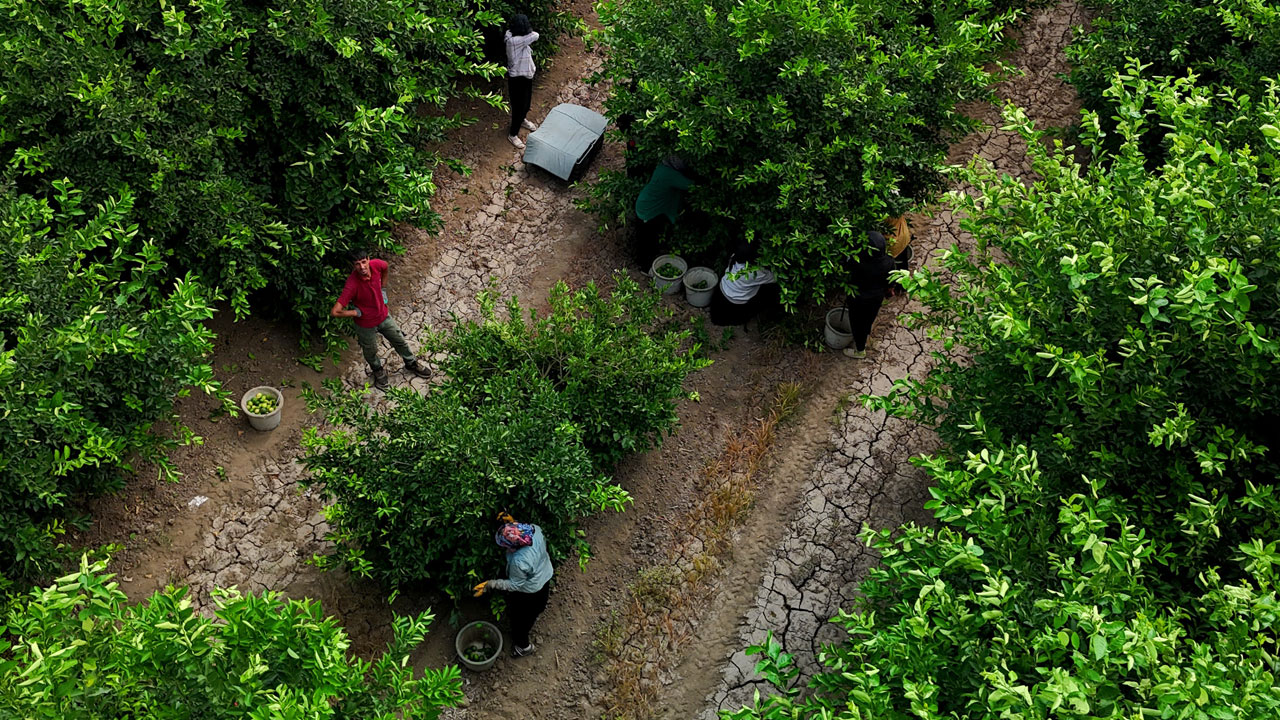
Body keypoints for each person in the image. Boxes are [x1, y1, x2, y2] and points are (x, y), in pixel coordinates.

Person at [329, 250, 432, 389]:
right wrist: (356, 312)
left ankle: (411, 363)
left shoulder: (376, 265)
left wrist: (383, 288)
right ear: (353, 266)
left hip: (384, 316)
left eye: (364, 262)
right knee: (370, 351)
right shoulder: (352, 284)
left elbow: (385, 267)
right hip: (365, 325)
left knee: (399, 340)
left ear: (368, 259)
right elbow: (335, 311)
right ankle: (377, 370)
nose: (362, 267)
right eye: (357, 264)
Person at [473, 514, 553, 658]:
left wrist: (490, 584)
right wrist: (513, 523)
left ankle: (523, 647)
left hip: (530, 591)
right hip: (545, 575)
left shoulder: (519, 561)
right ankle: (534, 615)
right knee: (538, 606)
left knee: (520, 621)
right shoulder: (535, 530)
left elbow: (515, 584)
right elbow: (520, 533)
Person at [843, 230, 897, 359]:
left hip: (858, 297)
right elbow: (891, 280)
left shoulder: (858, 262)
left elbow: (845, 270)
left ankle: (860, 350)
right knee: (868, 319)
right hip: (876, 297)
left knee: (856, 323)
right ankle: (866, 334)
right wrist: (890, 289)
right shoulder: (888, 261)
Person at [633, 156, 694, 264]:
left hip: (645, 203)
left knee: (646, 236)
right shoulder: (670, 175)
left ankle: (646, 259)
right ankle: (645, 264)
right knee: (648, 238)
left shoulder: (663, 167)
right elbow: (691, 185)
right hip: (648, 210)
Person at [710, 242, 777, 327]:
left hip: (721, 292)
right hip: (735, 303)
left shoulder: (735, 257)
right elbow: (775, 278)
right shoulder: (755, 272)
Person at [505, 14, 539, 149]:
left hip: (525, 75)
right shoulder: (513, 41)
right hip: (517, 77)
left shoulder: (511, 35)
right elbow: (535, 35)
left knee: (526, 103)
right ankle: (513, 134)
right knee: (518, 107)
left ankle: (522, 120)